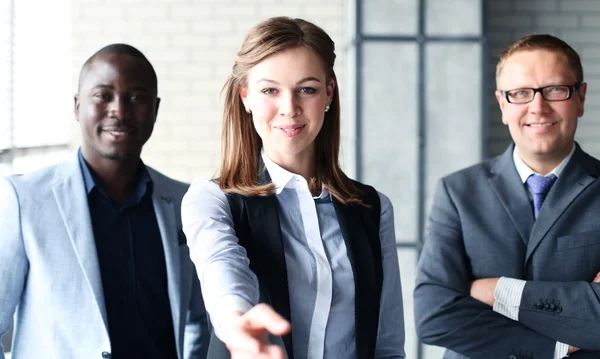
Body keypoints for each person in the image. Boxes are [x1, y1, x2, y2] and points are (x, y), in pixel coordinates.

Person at [182, 16, 406, 359]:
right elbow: (222, 270)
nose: (289, 108)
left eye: (307, 89)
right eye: (270, 90)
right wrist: (238, 321)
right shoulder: (211, 200)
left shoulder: (373, 209)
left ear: (328, 92)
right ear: (246, 96)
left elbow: (386, 345)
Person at [0, 44, 209, 359]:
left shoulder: (184, 201)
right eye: (103, 95)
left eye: (137, 97)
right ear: (77, 105)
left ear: (155, 108)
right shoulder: (24, 199)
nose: (120, 111)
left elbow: (198, 320)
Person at [414, 34, 600, 358]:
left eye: (555, 89)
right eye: (521, 93)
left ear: (580, 97)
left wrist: (498, 290)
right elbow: (434, 314)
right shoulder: (458, 192)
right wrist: (554, 344)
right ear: (503, 104)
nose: (538, 107)